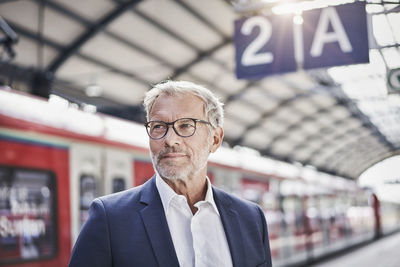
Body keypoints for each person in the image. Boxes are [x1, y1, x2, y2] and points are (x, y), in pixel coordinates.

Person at [69, 80, 272, 267]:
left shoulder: (250, 218)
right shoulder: (109, 218)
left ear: (215, 139)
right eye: (158, 126)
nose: (170, 139)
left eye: (185, 125)